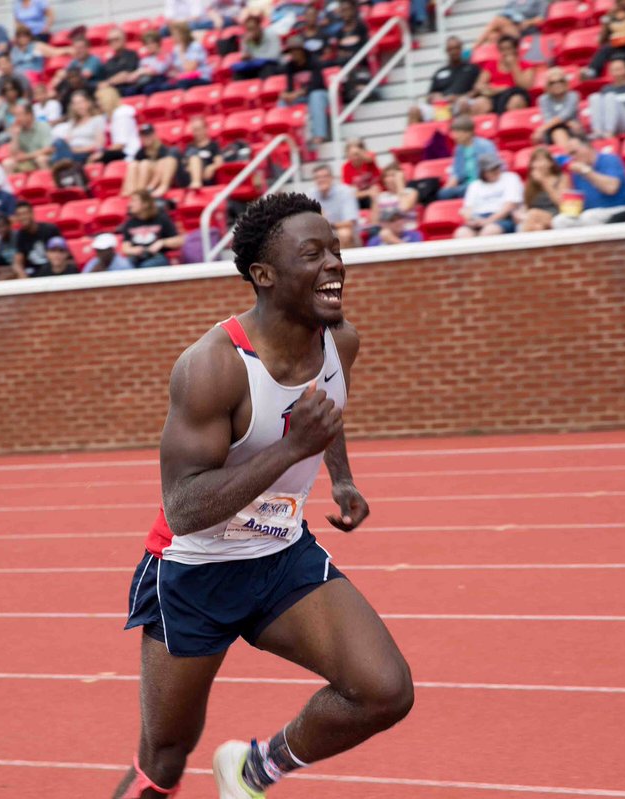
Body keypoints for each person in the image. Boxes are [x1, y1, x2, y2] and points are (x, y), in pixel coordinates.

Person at [110, 191, 410, 799]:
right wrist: (293, 450)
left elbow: (325, 412)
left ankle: (252, 772)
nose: (334, 264)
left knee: (383, 690)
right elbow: (184, 509)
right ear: (264, 275)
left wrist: (341, 474)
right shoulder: (213, 366)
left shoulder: (339, 342)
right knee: (164, 759)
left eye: (335, 249)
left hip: (281, 556)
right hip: (195, 573)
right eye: (313, 254)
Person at [551, 129, 625, 227]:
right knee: (560, 220)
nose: (572, 157)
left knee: (589, 217)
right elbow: (564, 200)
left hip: (617, 208)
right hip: (588, 212)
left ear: (587, 147)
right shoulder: (574, 169)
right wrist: (565, 172)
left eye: (574, 152)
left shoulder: (609, 159)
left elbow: (611, 188)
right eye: (569, 155)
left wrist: (585, 171)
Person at [408, 37, 480, 124]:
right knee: (414, 110)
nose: (454, 52)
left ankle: (463, 134)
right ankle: (414, 137)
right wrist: (434, 97)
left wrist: (459, 97)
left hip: (460, 103)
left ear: (461, 49)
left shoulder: (472, 68)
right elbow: (429, 96)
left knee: (463, 103)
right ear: (446, 51)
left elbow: (478, 90)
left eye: (456, 48)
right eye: (450, 49)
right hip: (440, 106)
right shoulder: (439, 72)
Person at [454, 152, 523, 237]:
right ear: (483, 172)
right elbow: (468, 208)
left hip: (503, 218)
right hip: (479, 217)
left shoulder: (510, 178)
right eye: (491, 169)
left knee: (489, 231)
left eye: (497, 167)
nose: (496, 170)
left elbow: (510, 206)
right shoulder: (474, 185)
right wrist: (471, 219)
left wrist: (488, 221)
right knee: (462, 233)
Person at [280, 36, 331, 148]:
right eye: (291, 51)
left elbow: (318, 84)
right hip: (303, 96)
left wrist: (298, 93)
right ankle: (287, 137)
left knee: (315, 96)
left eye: (296, 50)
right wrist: (286, 94)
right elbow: (290, 88)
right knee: (282, 102)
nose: (293, 54)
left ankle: (319, 135)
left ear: (302, 50)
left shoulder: (314, 61)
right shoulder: (290, 66)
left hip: (320, 94)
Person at [463, 35, 533, 115]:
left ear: (515, 49)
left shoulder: (525, 65)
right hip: (493, 96)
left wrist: (514, 66)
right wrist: (490, 90)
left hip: (515, 94)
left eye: (508, 49)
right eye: (502, 49)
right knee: (479, 104)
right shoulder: (491, 65)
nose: (505, 53)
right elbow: (479, 85)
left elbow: (525, 86)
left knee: (515, 101)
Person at [437, 115, 501, 200]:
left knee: (469, 189)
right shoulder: (458, 149)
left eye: (457, 133)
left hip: (482, 183)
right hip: (465, 186)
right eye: (453, 133)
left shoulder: (485, 145)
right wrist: (447, 188)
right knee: (442, 194)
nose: (454, 136)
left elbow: (493, 168)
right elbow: (456, 174)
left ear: (468, 133)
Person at [118, 189, 182, 268]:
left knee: (146, 266)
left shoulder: (161, 218)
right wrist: (134, 250)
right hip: (137, 258)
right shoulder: (129, 223)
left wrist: (161, 243)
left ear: (145, 204)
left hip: (157, 256)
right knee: (124, 266)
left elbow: (179, 241)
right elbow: (125, 248)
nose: (130, 205)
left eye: (134, 201)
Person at [307, 165, 360, 249]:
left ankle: (342, 262)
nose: (321, 180)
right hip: (324, 232)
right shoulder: (311, 194)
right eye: (317, 177)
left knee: (344, 234)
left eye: (325, 176)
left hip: (348, 233)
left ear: (332, 178)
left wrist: (328, 223)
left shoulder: (345, 192)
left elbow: (350, 223)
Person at [587, 58, 625, 137]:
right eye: (614, 70)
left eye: (619, 69)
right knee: (594, 97)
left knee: (610, 97)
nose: (617, 72)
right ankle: (597, 131)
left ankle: (610, 132)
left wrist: (618, 119)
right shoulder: (606, 89)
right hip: (608, 121)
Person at [517, 146, 569, 232]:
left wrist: (544, 182)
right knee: (537, 227)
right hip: (534, 217)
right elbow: (527, 205)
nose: (537, 164)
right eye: (534, 161)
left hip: (555, 213)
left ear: (550, 163)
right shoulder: (530, 182)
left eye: (541, 160)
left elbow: (561, 203)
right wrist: (520, 214)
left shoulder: (561, 178)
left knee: (533, 215)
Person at [125, 125, 182, 198]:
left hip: (157, 183)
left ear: (154, 135)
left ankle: (140, 194)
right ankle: (133, 192)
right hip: (148, 183)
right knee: (133, 165)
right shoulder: (140, 153)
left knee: (145, 164)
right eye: (143, 136)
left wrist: (150, 186)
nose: (146, 138)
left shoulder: (164, 150)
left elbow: (167, 168)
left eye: (148, 135)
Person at [52, 92, 106, 163]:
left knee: (59, 153)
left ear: (88, 103)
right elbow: (68, 141)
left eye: (81, 102)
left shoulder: (97, 119)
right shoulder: (72, 123)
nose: (79, 106)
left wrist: (79, 150)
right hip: (70, 152)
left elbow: (99, 144)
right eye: (75, 104)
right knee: (58, 142)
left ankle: (62, 165)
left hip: (84, 153)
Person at [12, 201, 63, 275]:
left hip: (52, 270)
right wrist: (24, 278)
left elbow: (61, 253)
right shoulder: (20, 235)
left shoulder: (49, 229)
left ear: (32, 213)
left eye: (25, 213)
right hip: (33, 274)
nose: (22, 217)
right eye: (19, 215)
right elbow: (17, 262)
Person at [534, 67, 582, 145]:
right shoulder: (543, 99)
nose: (557, 84)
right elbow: (548, 118)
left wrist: (542, 128)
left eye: (560, 81)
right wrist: (567, 123)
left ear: (566, 83)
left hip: (573, 131)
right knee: (558, 132)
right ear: (548, 85)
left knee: (567, 130)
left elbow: (566, 114)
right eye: (552, 82)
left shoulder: (573, 96)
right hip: (552, 130)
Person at [94, 85, 141, 163]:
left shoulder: (122, 115)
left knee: (96, 159)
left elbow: (120, 144)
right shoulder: (106, 117)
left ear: (107, 100)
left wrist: (102, 154)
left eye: (99, 100)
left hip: (128, 153)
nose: (97, 103)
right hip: (116, 151)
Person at [5, 102, 55, 173]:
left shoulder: (43, 126)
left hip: (44, 158)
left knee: (41, 159)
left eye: (19, 115)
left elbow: (48, 149)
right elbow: (14, 155)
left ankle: (48, 182)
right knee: (8, 163)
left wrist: (26, 156)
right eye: (15, 116)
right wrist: (15, 136)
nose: (16, 119)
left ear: (29, 115)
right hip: (28, 161)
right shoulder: (18, 129)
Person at [474, 0, 549, 46]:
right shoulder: (513, 1)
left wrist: (528, 22)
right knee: (493, 35)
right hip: (512, 28)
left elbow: (542, 18)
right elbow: (504, 14)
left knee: (497, 20)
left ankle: (475, 48)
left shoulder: (540, 1)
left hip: (527, 31)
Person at [233, 13, 282, 79]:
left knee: (267, 68)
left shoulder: (271, 34)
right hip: (256, 67)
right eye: (248, 29)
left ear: (259, 26)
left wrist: (254, 58)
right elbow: (244, 57)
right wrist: (246, 49)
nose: (251, 32)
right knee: (238, 73)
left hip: (274, 65)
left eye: (253, 28)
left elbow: (274, 56)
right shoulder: (246, 40)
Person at [167, 22, 214, 89]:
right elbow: (174, 69)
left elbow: (190, 68)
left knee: (182, 84)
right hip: (183, 78)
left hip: (200, 78)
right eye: (172, 34)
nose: (173, 37)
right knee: (165, 86)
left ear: (184, 34)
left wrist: (181, 52)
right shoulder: (176, 49)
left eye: (175, 34)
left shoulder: (195, 46)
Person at [370, 163, 418, 228]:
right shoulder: (381, 196)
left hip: (407, 230)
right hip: (386, 232)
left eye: (393, 175)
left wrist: (400, 184)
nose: (390, 179)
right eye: (387, 176)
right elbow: (374, 223)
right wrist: (374, 201)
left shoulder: (410, 192)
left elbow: (403, 208)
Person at [183, 116, 224, 189]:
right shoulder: (190, 146)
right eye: (195, 130)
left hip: (207, 177)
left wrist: (212, 167)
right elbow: (185, 165)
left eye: (199, 129)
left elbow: (219, 162)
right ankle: (196, 181)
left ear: (206, 129)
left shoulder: (213, 145)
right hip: (191, 177)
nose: (197, 133)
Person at [99, 28, 142, 93]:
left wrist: (109, 82)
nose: (113, 42)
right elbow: (104, 80)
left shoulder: (131, 55)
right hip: (114, 92)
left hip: (129, 90)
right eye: (110, 40)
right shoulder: (109, 61)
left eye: (116, 39)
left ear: (124, 40)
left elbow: (126, 75)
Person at [341, 139, 381, 210]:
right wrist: (367, 192)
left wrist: (360, 153)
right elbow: (350, 193)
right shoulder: (346, 168)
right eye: (352, 154)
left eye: (357, 154)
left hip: (375, 193)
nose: (355, 157)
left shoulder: (369, 160)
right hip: (362, 196)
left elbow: (370, 157)